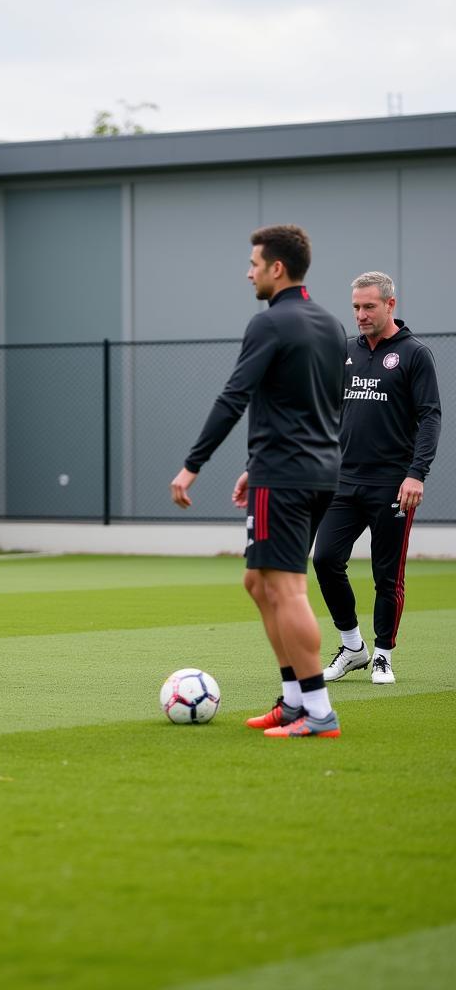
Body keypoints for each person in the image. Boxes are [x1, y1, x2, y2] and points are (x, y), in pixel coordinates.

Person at [169, 224, 347, 738]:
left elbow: (233, 397)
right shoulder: (331, 324)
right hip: (317, 472)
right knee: (258, 583)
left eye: (254, 263)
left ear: (277, 268)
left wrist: (192, 464)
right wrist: (259, 462)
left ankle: (318, 712)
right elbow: (324, 406)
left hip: (285, 476)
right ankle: (294, 701)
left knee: (287, 590)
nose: (247, 272)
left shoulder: (268, 323)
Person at [313, 272, 442, 685]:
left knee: (388, 574)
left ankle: (383, 653)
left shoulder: (414, 354)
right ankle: (353, 647)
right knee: (325, 558)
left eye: (369, 306)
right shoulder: (345, 351)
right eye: (355, 307)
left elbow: (430, 417)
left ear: (390, 304)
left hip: (393, 484)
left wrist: (416, 474)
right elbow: (329, 410)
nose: (361, 315)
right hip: (344, 480)